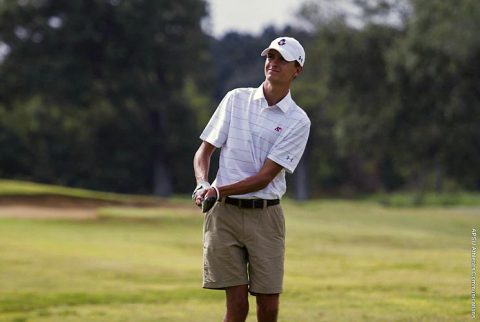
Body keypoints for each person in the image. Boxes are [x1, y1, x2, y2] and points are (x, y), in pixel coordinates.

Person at [192, 36, 311, 322]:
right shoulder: (236, 99)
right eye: (270, 57)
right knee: (236, 304)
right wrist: (202, 183)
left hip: (265, 216)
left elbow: (265, 177)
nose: (273, 63)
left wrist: (216, 191)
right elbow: (204, 151)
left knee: (268, 306)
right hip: (224, 216)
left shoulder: (298, 120)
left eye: (282, 59)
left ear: (297, 70)